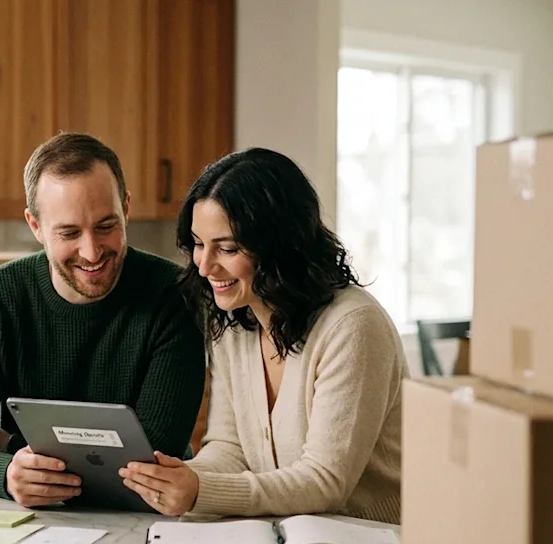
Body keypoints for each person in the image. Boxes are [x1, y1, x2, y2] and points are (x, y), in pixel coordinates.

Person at [118, 147, 407, 524]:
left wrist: (200, 492)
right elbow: (229, 446)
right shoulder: (236, 320)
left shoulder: (352, 326)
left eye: (227, 248)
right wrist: (184, 478)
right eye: (199, 244)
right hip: (287, 541)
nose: (204, 266)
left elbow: (326, 481)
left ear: (280, 247)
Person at [0, 132, 207, 508]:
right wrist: (7, 474)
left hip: (148, 518)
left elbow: (151, 458)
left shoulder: (174, 295)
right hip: (33, 519)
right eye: (69, 232)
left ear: (126, 207)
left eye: (106, 226)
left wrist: (9, 445)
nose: (91, 251)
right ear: (35, 226)